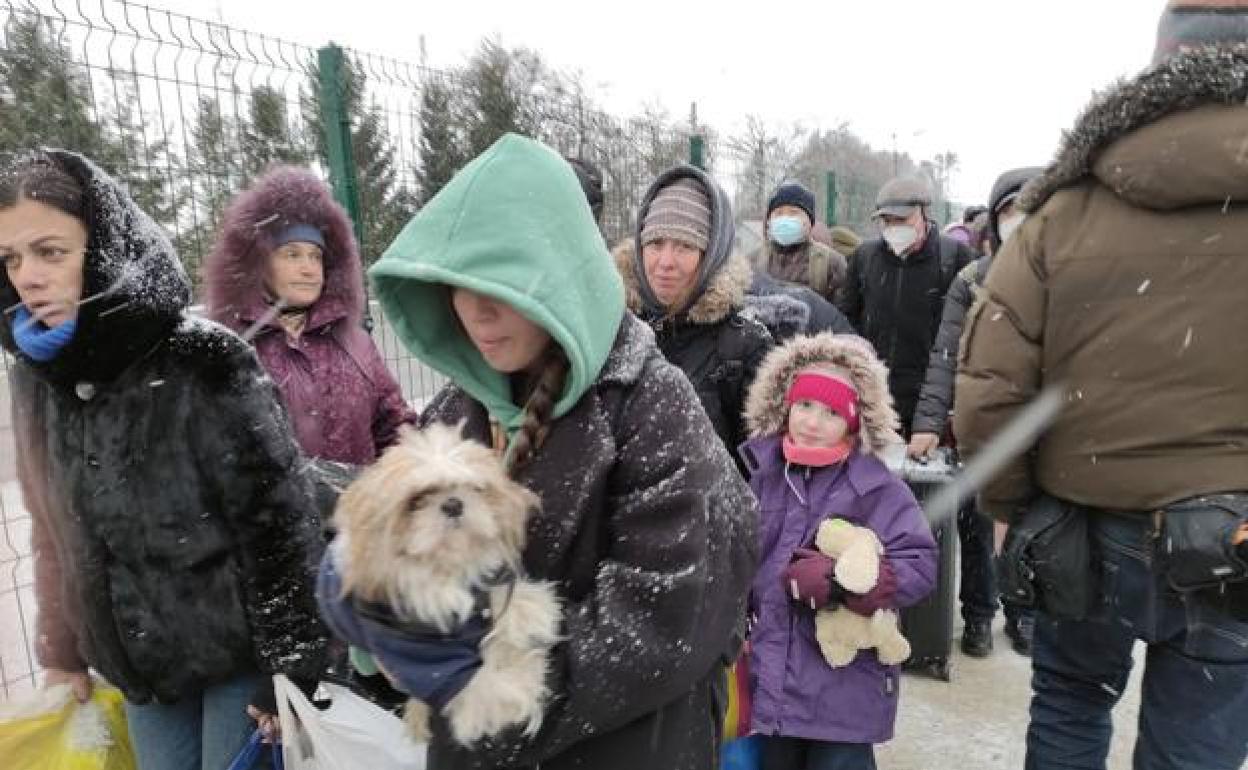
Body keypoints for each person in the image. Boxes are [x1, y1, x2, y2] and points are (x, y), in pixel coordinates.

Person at [326, 133, 757, 770]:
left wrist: (474, 686)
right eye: (457, 283)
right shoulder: (457, 409)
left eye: (504, 285)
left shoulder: (654, 408)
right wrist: (374, 616)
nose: (476, 311)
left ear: (559, 278)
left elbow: (662, 624)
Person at [955, 6, 1248, 766]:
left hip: (1082, 523)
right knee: (1200, 736)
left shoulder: (1065, 207)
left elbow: (992, 386)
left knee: (1069, 706)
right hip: (1237, 534)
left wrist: (1011, 507)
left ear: (1157, 70)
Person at [1, 150, 326, 769]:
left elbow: (279, 519)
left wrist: (291, 662)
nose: (28, 277)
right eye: (11, 258)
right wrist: (64, 649)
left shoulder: (202, 358)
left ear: (102, 246)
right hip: (138, 667)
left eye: (51, 251)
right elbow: (51, 529)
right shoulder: (35, 376)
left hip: (237, 658)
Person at [740, 333, 937, 770]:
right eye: (805, 406)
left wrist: (847, 583)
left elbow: (919, 563)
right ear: (784, 406)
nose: (812, 422)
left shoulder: (875, 488)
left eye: (831, 412)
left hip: (844, 687)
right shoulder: (761, 475)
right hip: (771, 682)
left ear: (854, 422)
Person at [910, 167, 1044, 658]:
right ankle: (979, 615)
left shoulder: (1069, 276)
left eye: (1033, 208)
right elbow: (945, 355)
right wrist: (928, 422)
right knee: (979, 523)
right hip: (982, 424)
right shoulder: (972, 280)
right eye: (1011, 210)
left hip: (1044, 425)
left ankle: (1025, 612)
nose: (1022, 220)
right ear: (996, 218)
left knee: (1037, 528)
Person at [204, 166, 415, 468]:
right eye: (292, 254)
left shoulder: (357, 345)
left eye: (315, 256)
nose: (309, 268)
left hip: (355, 512)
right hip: (274, 515)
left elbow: (395, 430)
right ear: (260, 264)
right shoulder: (232, 348)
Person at [612, 166, 773, 463]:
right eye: (655, 243)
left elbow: (761, 471)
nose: (665, 262)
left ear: (710, 254)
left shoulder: (744, 345)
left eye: (685, 246)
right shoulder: (614, 328)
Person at [760, 182, 847, 304]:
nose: (785, 219)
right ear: (769, 220)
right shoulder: (753, 262)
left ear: (810, 222)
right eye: (778, 213)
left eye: (793, 212)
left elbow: (842, 316)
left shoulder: (831, 263)